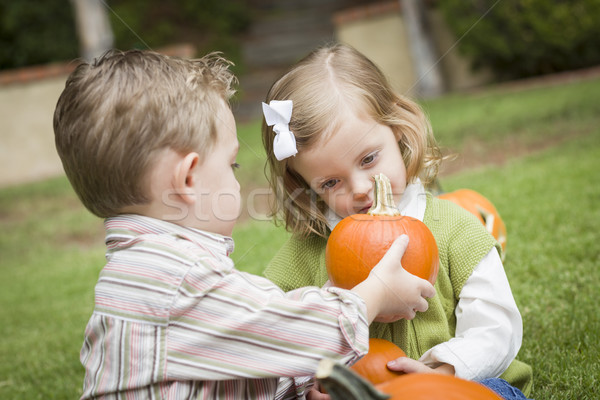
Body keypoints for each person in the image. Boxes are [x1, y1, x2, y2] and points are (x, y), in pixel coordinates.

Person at [53, 49, 436, 400]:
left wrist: (304, 387)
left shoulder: (136, 275)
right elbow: (290, 335)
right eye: (231, 164)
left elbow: (242, 356)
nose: (237, 179)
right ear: (188, 178)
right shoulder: (178, 282)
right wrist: (373, 294)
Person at [261, 43, 533, 399]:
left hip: (459, 385)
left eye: (369, 159)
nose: (360, 188)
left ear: (399, 130)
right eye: (330, 182)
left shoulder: (455, 228)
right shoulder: (306, 251)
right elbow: (268, 329)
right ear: (307, 187)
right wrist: (313, 381)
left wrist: (444, 369)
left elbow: (497, 326)